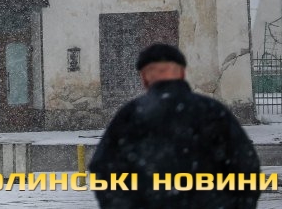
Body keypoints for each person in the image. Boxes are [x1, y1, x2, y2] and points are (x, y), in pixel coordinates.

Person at [88, 43, 260, 209]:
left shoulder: (130, 115)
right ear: (182, 73)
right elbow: (246, 166)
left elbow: (103, 169)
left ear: (144, 77)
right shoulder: (213, 112)